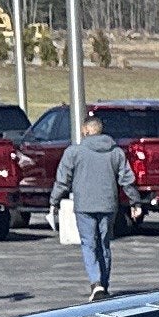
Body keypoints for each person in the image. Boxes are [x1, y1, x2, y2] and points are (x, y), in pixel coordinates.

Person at [50, 110, 132, 300]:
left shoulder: (73, 152)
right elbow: (126, 179)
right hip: (108, 205)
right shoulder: (116, 152)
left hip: (84, 206)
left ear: (85, 130)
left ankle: (96, 283)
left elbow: (63, 180)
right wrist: (135, 202)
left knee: (89, 244)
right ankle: (104, 283)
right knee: (104, 244)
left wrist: (54, 201)